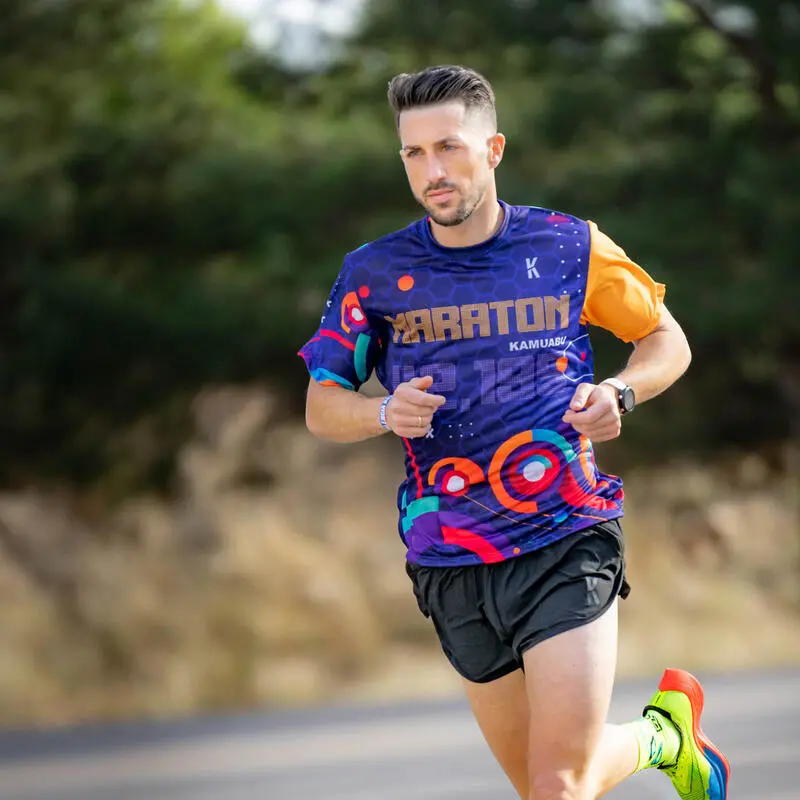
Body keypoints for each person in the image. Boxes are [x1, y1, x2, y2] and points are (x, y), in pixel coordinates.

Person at [298, 64, 730, 800]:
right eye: (414, 153)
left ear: (493, 149)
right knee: (544, 788)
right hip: (450, 556)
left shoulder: (568, 246)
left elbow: (667, 340)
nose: (433, 171)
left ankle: (658, 739)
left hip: (565, 534)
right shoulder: (373, 273)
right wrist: (382, 412)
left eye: (449, 147)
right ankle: (663, 738)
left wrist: (619, 392)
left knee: (560, 784)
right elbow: (321, 404)